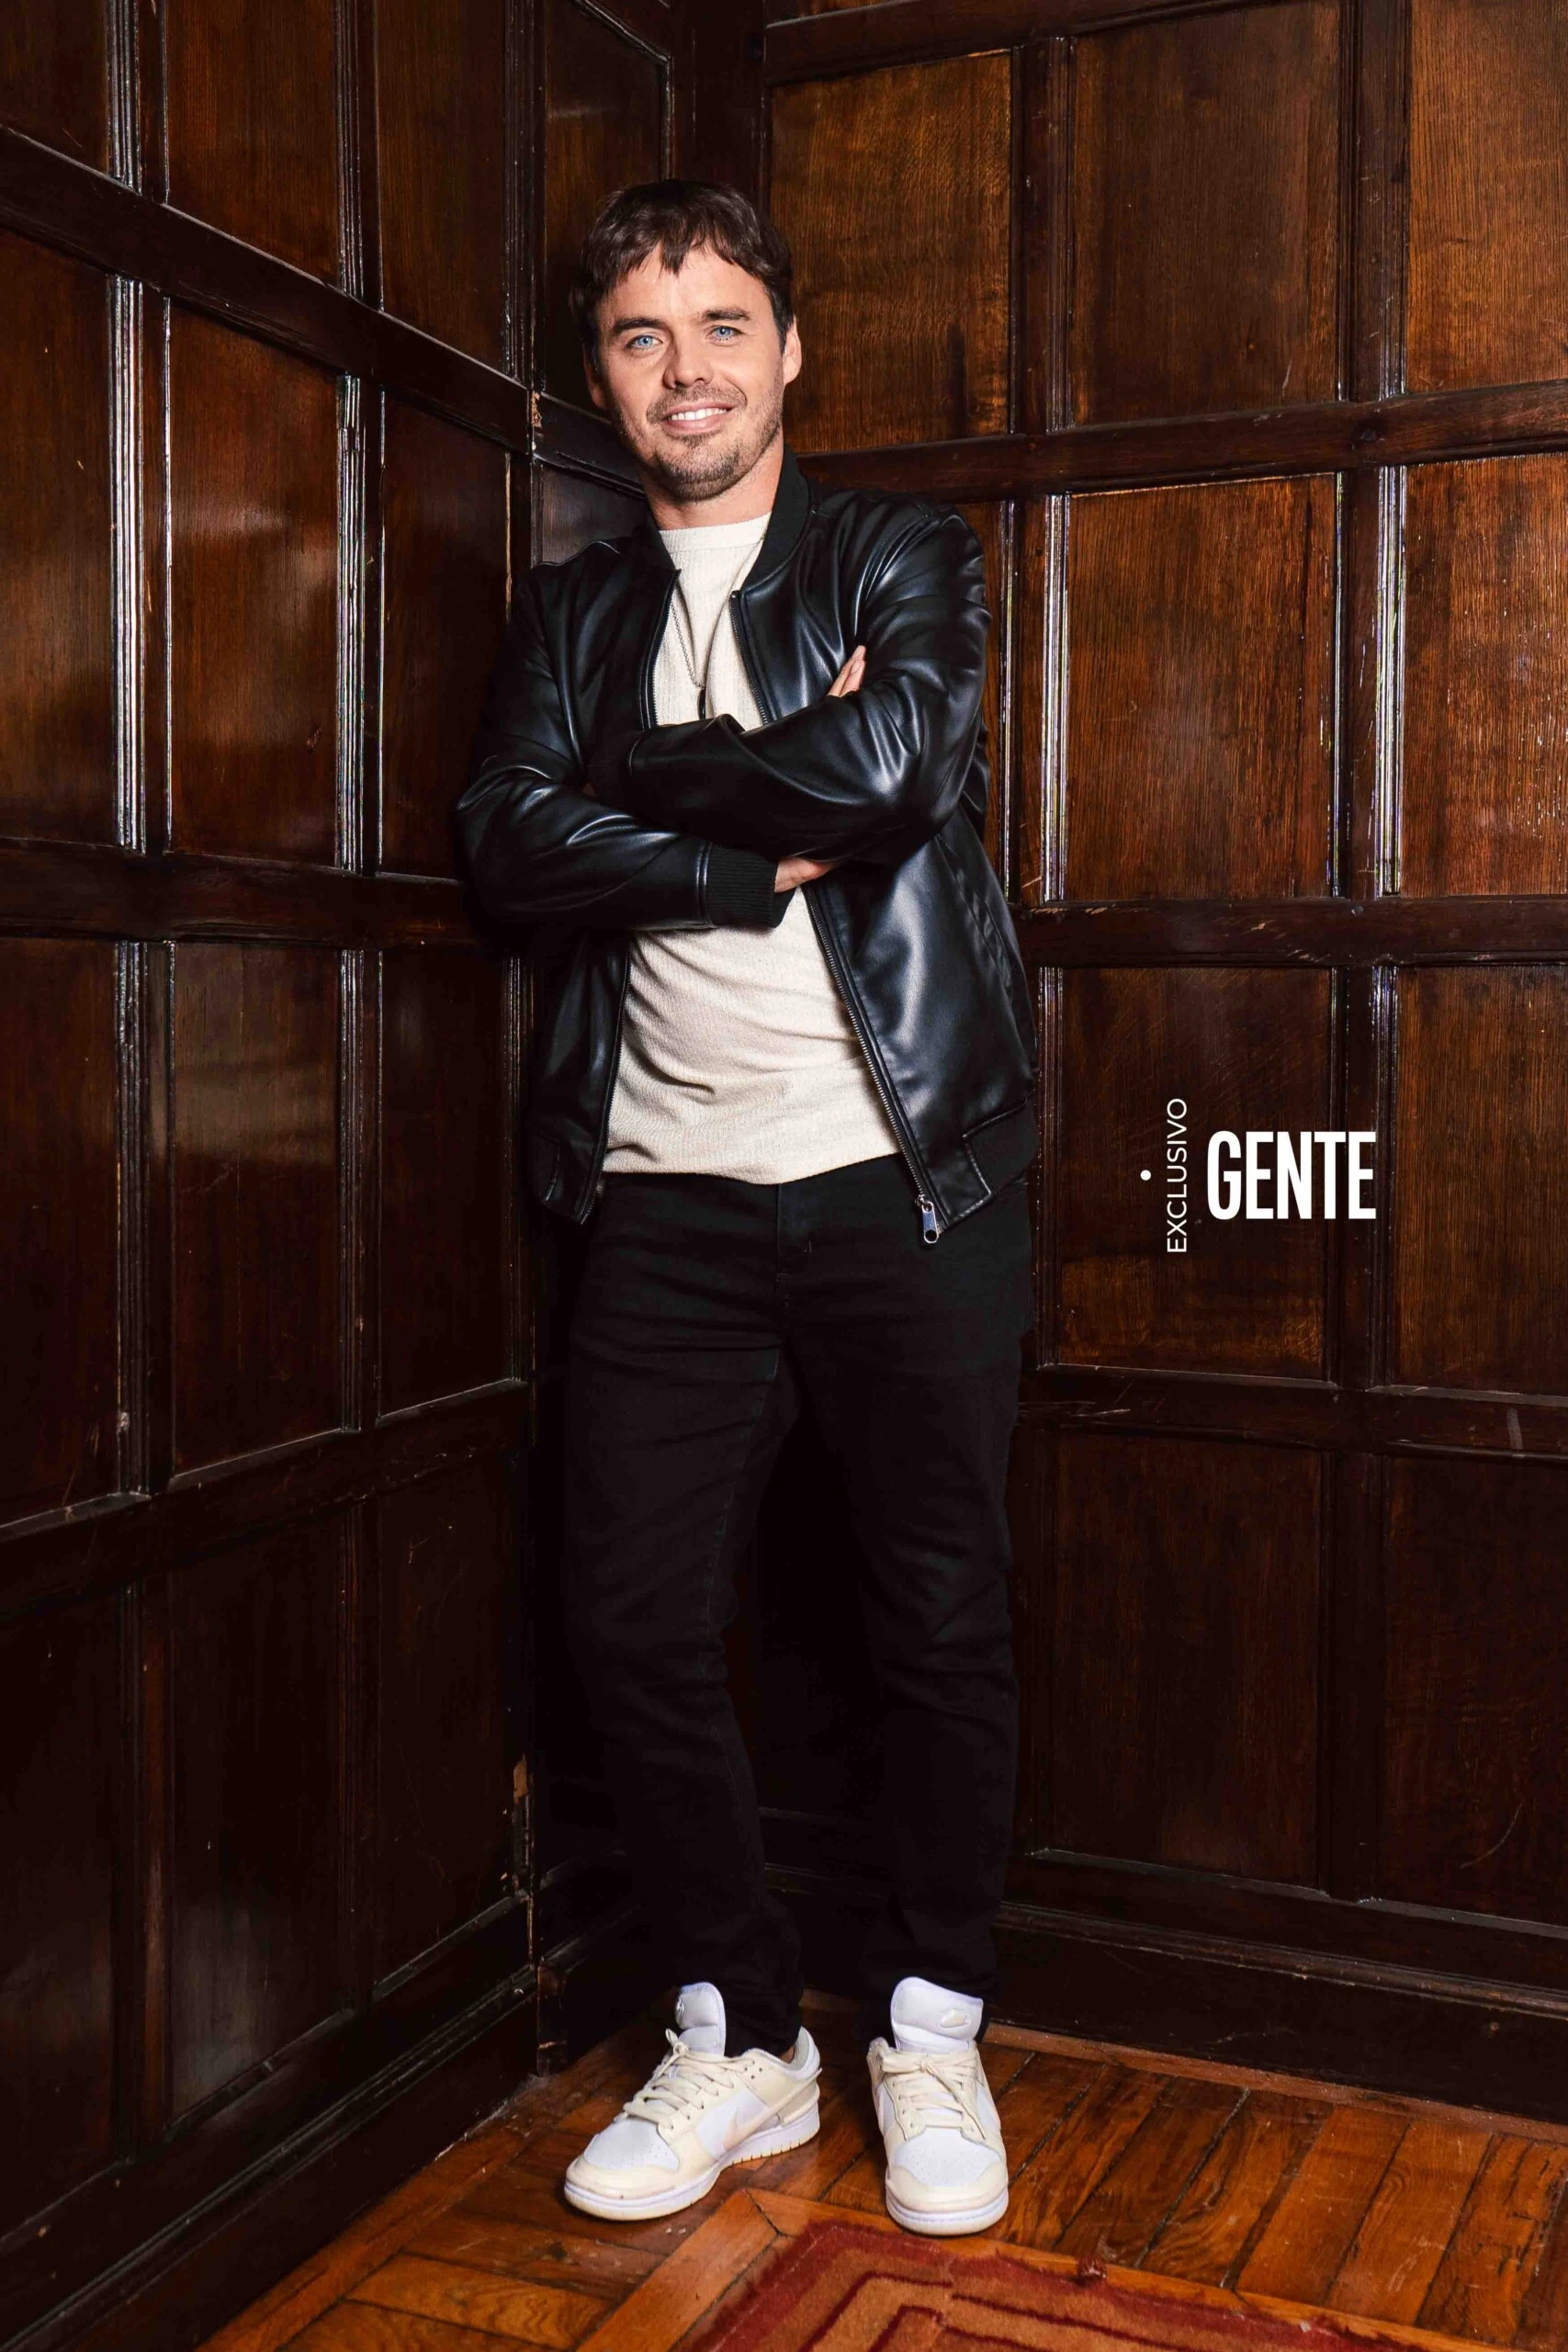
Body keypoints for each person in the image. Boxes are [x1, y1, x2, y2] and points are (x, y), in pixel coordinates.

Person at [457, 179, 1038, 2238]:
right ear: (602, 377)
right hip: (664, 1195)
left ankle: (932, 2025)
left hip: (906, 1174)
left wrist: (635, 776)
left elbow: (896, 767)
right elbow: (504, 845)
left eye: (721, 326)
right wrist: (729, 838)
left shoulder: (897, 550)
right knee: (624, 1615)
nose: (684, 368)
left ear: (787, 351)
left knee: (937, 1613)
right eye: (641, 334)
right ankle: (741, 2034)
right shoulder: (571, 616)